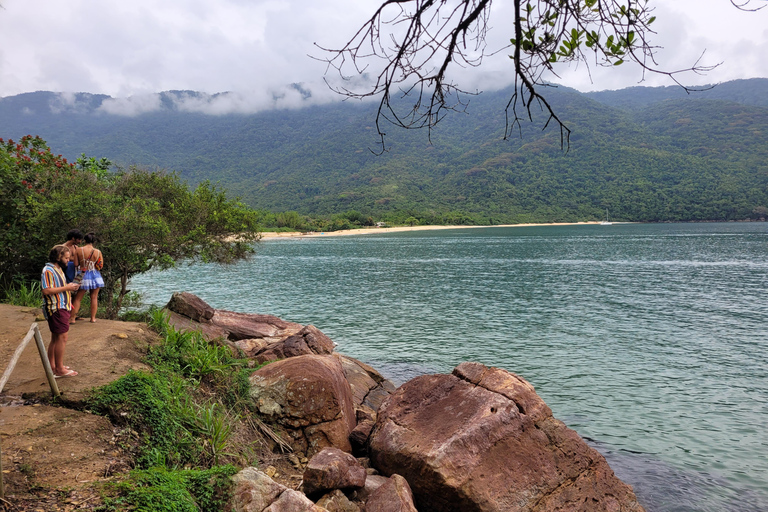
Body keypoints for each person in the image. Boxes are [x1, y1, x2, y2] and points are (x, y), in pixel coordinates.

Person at [41, 245, 80, 377]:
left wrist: (69, 288)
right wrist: (67, 288)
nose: (68, 260)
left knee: (56, 337)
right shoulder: (48, 270)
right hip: (56, 307)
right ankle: (59, 369)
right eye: (66, 258)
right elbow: (46, 290)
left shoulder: (57, 269)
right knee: (62, 337)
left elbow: (60, 287)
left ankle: (54, 366)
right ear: (58, 257)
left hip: (62, 305)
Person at [74, 232, 104, 323]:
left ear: (84, 240)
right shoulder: (98, 252)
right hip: (95, 274)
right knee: (94, 297)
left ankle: (72, 318)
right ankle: (93, 318)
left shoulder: (79, 250)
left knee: (78, 298)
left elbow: (75, 264)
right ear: (94, 241)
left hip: (83, 274)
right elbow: (101, 265)